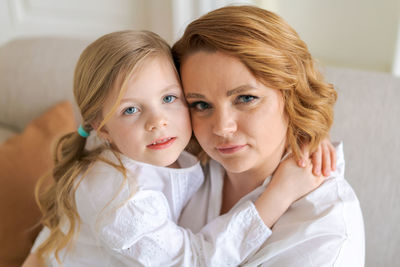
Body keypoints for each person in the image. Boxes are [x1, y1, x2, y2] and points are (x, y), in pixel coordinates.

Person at [24, 30, 334, 267]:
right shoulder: (119, 197)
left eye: (169, 98)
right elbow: (194, 261)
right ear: (103, 128)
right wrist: (279, 193)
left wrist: (306, 131)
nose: (158, 122)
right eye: (131, 110)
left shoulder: (163, 143)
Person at [172, 5, 365, 266]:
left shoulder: (324, 229)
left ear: (291, 95)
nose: (221, 128)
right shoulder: (184, 167)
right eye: (201, 104)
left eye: (245, 98)